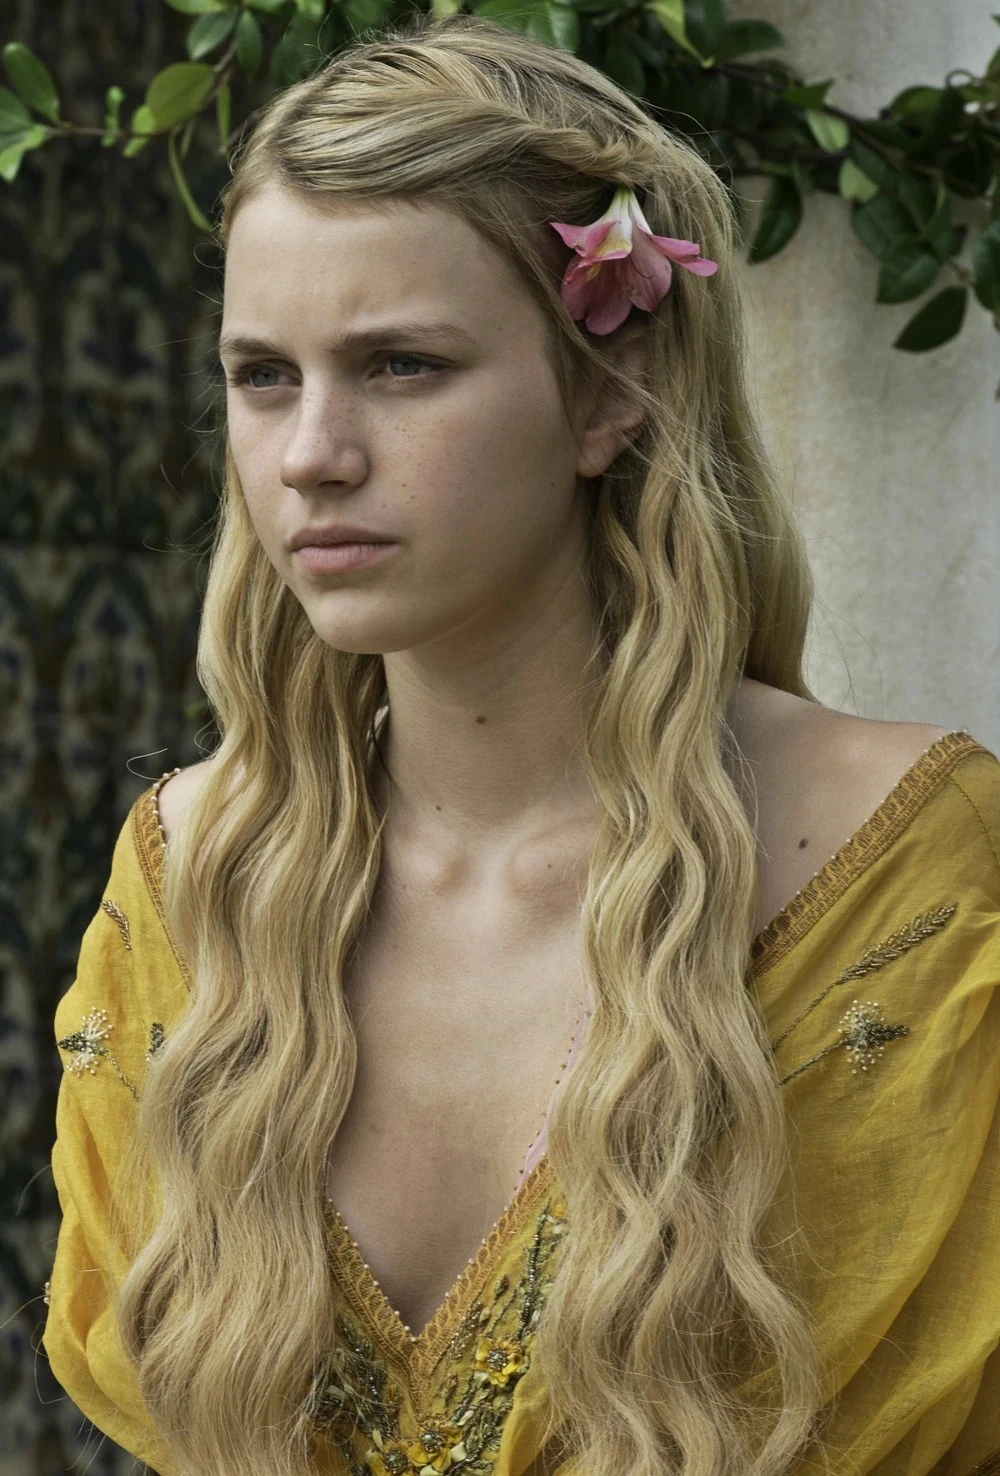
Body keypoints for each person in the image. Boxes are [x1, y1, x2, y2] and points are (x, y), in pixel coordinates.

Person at [41, 13, 1000, 1476]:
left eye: (401, 365)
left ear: (611, 392)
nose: (310, 455)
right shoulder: (189, 876)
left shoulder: (905, 872)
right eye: (263, 375)